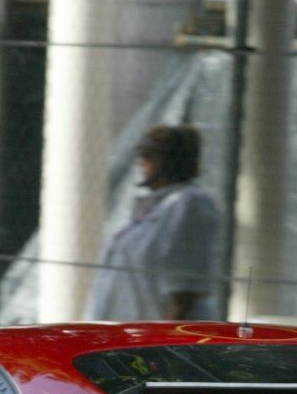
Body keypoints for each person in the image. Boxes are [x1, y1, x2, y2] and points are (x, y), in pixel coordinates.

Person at [86, 124, 226, 321]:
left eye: (149, 157)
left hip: (153, 342)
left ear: (170, 161)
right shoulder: (156, 208)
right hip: (125, 335)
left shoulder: (190, 204)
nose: (142, 164)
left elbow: (186, 291)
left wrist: (166, 345)